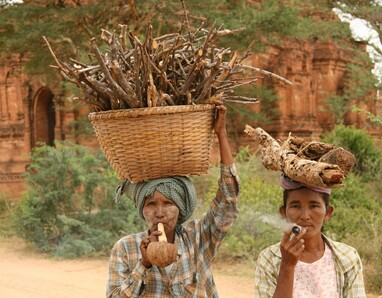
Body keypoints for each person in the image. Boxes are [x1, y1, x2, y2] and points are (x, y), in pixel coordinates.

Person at [106, 101, 240, 297]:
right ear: (142, 208)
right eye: (151, 204)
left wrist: (221, 133)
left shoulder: (198, 238)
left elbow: (227, 203)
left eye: (168, 203)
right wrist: (144, 264)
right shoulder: (125, 248)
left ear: (181, 207)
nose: (159, 213)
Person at [255, 174, 366, 298]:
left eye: (314, 206)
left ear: (327, 213)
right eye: (295, 206)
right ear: (284, 213)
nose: (305, 216)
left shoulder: (348, 258)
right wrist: (287, 265)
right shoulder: (269, 259)